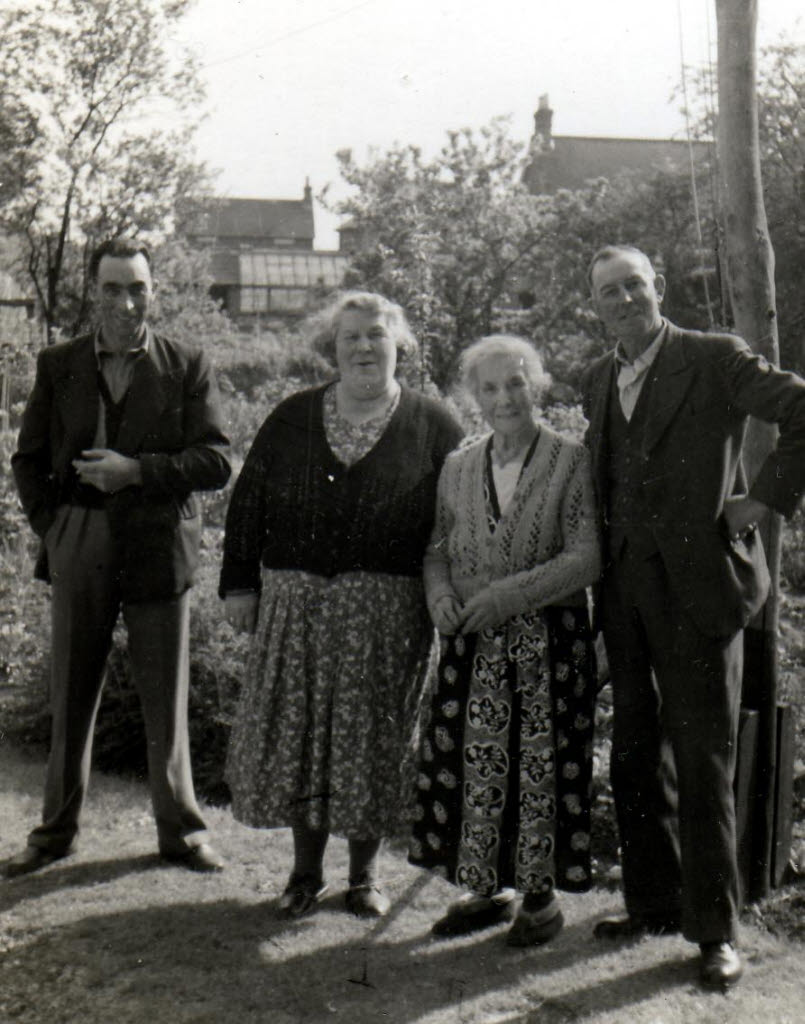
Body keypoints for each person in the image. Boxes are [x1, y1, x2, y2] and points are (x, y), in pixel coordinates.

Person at [581, 244, 805, 989]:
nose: (623, 300)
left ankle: (715, 931)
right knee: (635, 754)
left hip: (701, 591)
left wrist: (760, 499)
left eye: (634, 285)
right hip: (624, 594)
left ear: (658, 288)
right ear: (596, 305)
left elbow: (800, 407)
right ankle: (649, 903)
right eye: (608, 291)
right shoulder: (596, 378)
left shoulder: (713, 356)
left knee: (703, 760)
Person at [220, 291, 462, 919]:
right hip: (297, 605)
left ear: (399, 345)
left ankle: (363, 877)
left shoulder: (435, 425)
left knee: (372, 741)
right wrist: (240, 584)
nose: (362, 347)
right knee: (302, 738)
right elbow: (248, 502)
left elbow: (460, 519)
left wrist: (453, 597)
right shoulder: (291, 417)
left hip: (387, 615)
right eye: (349, 336)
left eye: (375, 335)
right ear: (332, 347)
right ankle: (304, 876)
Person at [6, 237, 231, 879]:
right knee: (71, 690)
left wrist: (137, 471)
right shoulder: (59, 364)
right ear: (94, 292)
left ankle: (182, 835)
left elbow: (216, 460)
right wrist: (55, 530)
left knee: (165, 694)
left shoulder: (186, 365)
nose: (125, 302)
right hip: (81, 538)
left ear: (152, 292)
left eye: (137, 288)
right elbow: (27, 461)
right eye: (111, 288)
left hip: (158, 542)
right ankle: (53, 834)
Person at [409, 335, 600, 946]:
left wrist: (508, 596)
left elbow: (587, 557)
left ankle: (540, 905)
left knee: (536, 766)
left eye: (516, 383)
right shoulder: (459, 465)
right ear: (473, 397)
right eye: (489, 388)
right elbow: (436, 547)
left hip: (547, 644)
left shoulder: (571, 459)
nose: (504, 398)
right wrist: (438, 594)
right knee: (476, 767)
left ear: (537, 385)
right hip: (472, 644)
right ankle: (488, 890)